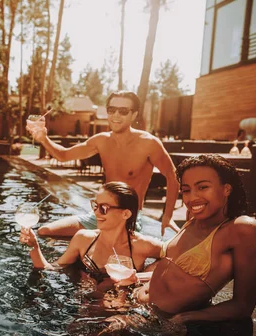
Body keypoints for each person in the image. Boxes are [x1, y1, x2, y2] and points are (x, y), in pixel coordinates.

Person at [131, 154, 256, 324]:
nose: (192, 198)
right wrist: (136, 278)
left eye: (203, 187)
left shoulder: (243, 229)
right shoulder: (194, 219)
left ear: (227, 189)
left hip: (161, 322)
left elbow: (243, 306)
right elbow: (170, 272)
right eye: (186, 190)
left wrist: (185, 318)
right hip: (136, 304)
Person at [28, 91, 179, 237]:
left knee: (97, 244)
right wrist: (44, 139)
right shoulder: (101, 141)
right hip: (101, 213)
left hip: (127, 218)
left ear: (134, 115)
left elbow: (173, 177)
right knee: (45, 230)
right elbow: (64, 155)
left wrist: (168, 215)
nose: (116, 115)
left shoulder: (149, 143)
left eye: (123, 111)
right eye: (111, 110)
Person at [20, 182, 162, 291]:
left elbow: (174, 258)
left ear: (125, 214)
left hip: (120, 307)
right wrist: (34, 246)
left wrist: (144, 276)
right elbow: (50, 270)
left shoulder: (142, 245)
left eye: (104, 208)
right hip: (83, 303)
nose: (96, 213)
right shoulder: (83, 239)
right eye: (95, 205)